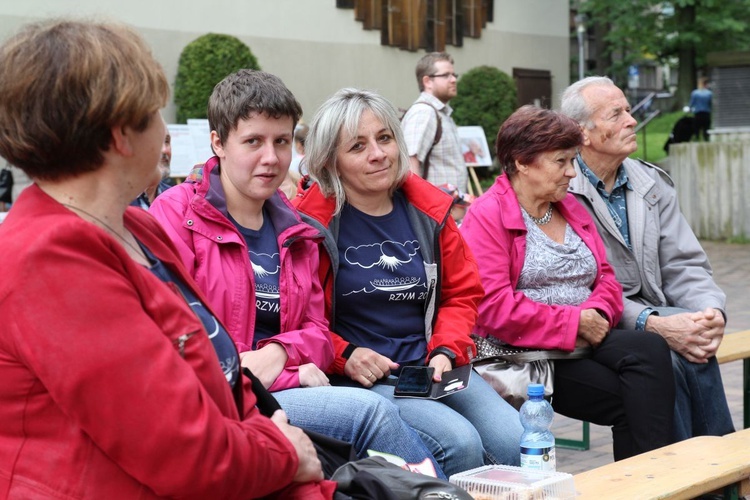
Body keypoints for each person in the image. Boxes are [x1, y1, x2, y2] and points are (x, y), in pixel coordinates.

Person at [0, 19, 333, 498]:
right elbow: (181, 450)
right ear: (120, 134)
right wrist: (284, 453)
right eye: (157, 112)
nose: (167, 130)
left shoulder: (135, 226)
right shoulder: (49, 260)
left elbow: (216, 378)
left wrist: (272, 435)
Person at [149, 69, 442, 476]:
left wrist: (280, 356)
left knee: (451, 442)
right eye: (253, 141)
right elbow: (172, 330)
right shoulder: (179, 215)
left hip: (282, 383)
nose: (271, 158)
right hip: (214, 395)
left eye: (281, 141)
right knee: (371, 414)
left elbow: (318, 331)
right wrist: (277, 370)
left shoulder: (296, 229)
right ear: (218, 143)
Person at [294, 88, 523, 477]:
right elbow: (297, 318)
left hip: (432, 366)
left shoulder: (428, 211)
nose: (378, 153)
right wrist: (344, 354)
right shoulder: (309, 225)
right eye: (358, 146)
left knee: (513, 439)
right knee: (458, 442)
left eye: (384, 138)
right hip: (362, 376)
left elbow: (462, 293)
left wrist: (446, 351)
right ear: (331, 160)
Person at [460, 105, 677, 461]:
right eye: (561, 162)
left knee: (650, 351)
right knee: (635, 401)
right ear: (521, 162)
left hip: (582, 339)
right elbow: (493, 307)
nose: (571, 173)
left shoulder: (569, 206)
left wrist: (595, 313)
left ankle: (657, 480)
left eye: (573, 161)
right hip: (521, 353)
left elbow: (606, 275)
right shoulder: (487, 215)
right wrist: (574, 322)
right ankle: (656, 481)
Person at [561, 76, 734, 441]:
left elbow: (684, 263)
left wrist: (709, 312)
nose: (632, 120)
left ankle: (716, 472)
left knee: (695, 338)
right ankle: (692, 476)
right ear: (583, 134)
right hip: (596, 321)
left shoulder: (650, 182)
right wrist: (650, 322)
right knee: (664, 353)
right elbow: (574, 288)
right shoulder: (560, 190)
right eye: (616, 114)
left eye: (628, 109)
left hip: (657, 315)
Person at [401, 52, 468, 193]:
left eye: (454, 75)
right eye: (446, 75)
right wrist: (420, 207)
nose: (453, 80)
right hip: (433, 212)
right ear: (427, 82)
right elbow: (409, 163)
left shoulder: (440, 113)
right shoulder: (424, 112)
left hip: (447, 211)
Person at [132, 132, 173, 209]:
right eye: (156, 140)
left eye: (167, 141)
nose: (165, 150)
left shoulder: (176, 197)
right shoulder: (114, 199)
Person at [689, 77, 712, 141]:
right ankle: (706, 139)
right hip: (706, 113)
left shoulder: (695, 93)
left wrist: (689, 109)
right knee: (706, 128)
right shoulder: (709, 93)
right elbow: (711, 103)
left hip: (698, 113)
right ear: (706, 84)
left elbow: (692, 103)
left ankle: (697, 138)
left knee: (697, 128)